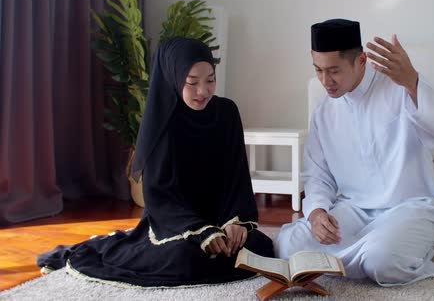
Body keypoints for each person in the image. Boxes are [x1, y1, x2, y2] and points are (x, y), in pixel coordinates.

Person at [37, 37, 274, 287]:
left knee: (260, 247)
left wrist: (236, 222)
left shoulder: (227, 112)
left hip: (221, 220)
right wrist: (199, 230)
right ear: (173, 78)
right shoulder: (164, 122)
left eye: (210, 80)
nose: (203, 91)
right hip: (177, 224)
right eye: (192, 82)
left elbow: (236, 177)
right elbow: (158, 195)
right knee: (185, 258)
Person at [275, 19, 434, 286]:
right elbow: (318, 174)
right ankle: (367, 252)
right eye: (318, 70)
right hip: (354, 211)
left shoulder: (400, 87)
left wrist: (413, 81)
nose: (325, 81)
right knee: (287, 244)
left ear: (361, 60)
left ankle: (381, 252)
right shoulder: (324, 110)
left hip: (410, 208)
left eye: (334, 71)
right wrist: (317, 213)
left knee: (381, 261)